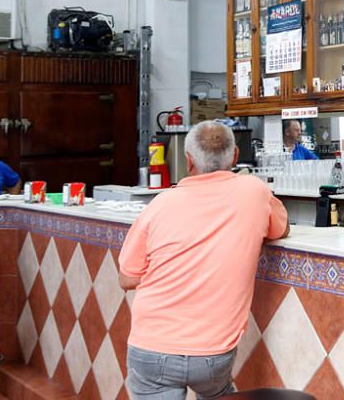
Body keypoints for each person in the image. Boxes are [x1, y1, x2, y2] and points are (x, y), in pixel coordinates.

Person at [119, 121, 289, 400]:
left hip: (152, 346)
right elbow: (280, 229)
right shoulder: (254, 191)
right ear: (235, 157)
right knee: (218, 391)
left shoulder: (159, 204)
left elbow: (127, 278)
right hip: (212, 354)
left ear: (188, 160)